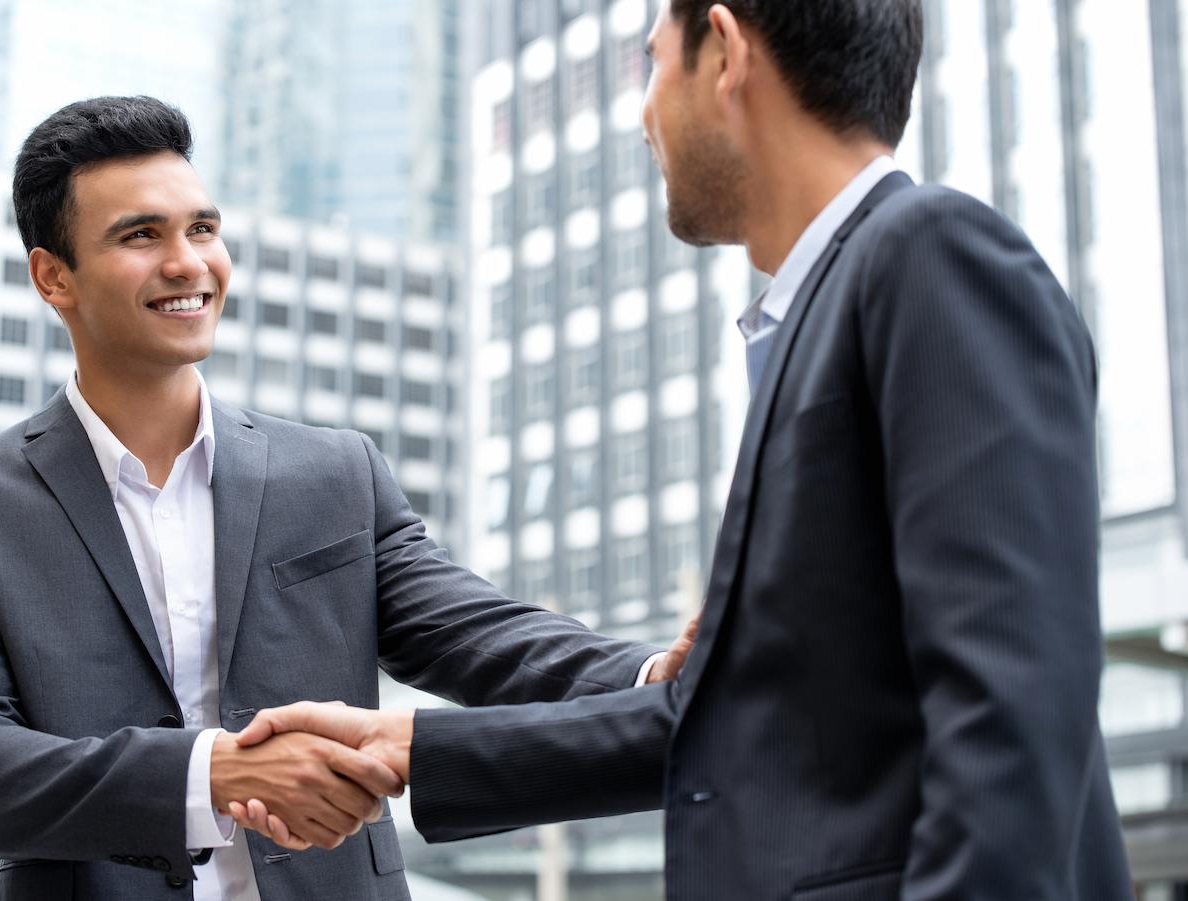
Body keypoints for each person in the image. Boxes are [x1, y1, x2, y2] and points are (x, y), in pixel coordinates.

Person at [230, 1, 1135, 897]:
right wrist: (411, 746)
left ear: (726, 53)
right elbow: (757, 722)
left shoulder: (933, 255)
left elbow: (1013, 705)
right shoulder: (821, 312)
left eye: (655, 65)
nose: (645, 114)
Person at [0, 95, 696, 901]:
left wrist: (653, 674)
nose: (187, 262)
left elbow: (478, 633)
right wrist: (212, 773)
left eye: (202, 229)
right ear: (51, 275)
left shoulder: (334, 473)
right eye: (142, 235)